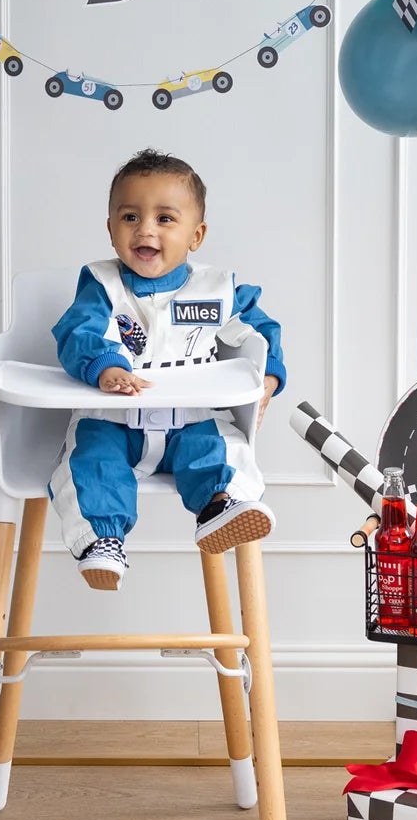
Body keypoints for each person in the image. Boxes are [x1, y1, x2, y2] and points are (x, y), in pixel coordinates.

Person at [49, 148, 285, 589]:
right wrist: (106, 366)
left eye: (165, 219)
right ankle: (101, 541)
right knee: (90, 462)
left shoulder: (217, 288)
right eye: (131, 217)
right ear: (111, 229)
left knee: (223, 447)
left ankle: (221, 505)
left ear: (196, 235)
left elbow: (259, 330)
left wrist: (268, 375)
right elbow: (78, 331)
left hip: (190, 420)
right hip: (114, 418)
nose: (146, 230)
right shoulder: (102, 284)